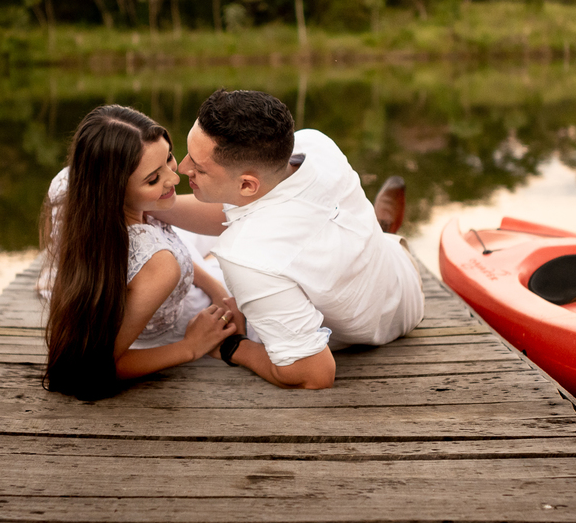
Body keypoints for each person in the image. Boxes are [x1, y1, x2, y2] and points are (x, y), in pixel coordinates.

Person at [170, 88, 423, 390]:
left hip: (385, 327)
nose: (181, 168)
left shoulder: (248, 258)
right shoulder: (314, 144)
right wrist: (154, 205)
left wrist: (231, 347)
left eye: (197, 167)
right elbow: (236, 203)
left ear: (248, 185)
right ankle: (378, 228)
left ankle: (379, 228)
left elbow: (314, 373)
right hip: (401, 273)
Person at [41, 105, 241, 400]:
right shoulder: (159, 265)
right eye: (152, 180)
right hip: (165, 320)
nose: (175, 178)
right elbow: (87, 370)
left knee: (235, 222)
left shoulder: (70, 183)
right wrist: (191, 347)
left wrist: (215, 288)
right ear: (113, 191)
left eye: (169, 157)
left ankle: (215, 263)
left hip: (152, 269)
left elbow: (165, 245)